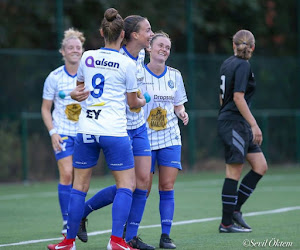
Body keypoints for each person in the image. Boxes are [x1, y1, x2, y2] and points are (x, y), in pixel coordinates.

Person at [47, 8, 146, 250]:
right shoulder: (126, 63)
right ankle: (116, 241)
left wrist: (72, 94)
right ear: (123, 35)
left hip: (86, 129)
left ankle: (68, 243)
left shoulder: (87, 57)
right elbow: (133, 105)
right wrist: (143, 101)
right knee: (126, 186)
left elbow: (79, 92)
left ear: (101, 32)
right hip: (114, 131)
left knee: (79, 187)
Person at [74, 15, 155, 250]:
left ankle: (130, 237)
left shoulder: (140, 55)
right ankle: (86, 215)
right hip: (120, 128)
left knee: (144, 183)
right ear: (133, 35)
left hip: (139, 126)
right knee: (127, 185)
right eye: (147, 30)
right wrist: (140, 100)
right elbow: (127, 100)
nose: (151, 34)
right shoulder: (117, 58)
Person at [140, 31, 189, 249]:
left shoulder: (175, 75)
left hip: (170, 137)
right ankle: (129, 232)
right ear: (149, 48)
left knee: (167, 186)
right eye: (160, 45)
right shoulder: (138, 73)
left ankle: (165, 236)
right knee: (143, 188)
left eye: (168, 47)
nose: (164, 49)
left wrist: (181, 112)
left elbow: (178, 104)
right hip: (144, 138)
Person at [217, 29, 268, 233]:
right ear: (253, 47)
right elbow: (237, 97)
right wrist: (254, 124)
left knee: (260, 165)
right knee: (234, 171)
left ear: (233, 45)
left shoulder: (227, 62)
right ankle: (226, 223)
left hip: (238, 123)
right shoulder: (243, 65)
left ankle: (235, 210)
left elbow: (222, 97)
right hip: (234, 123)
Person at [41, 28, 85, 234]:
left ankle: (79, 218)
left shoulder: (89, 75)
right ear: (63, 52)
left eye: (78, 47)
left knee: (80, 179)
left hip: (85, 134)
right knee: (67, 173)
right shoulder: (54, 77)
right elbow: (45, 108)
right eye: (70, 48)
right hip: (63, 134)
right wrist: (53, 133)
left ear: (83, 50)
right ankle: (67, 221)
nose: (75, 50)